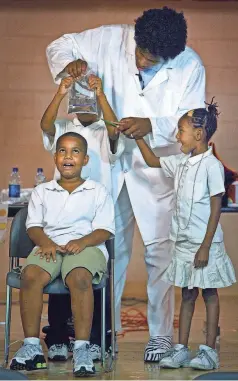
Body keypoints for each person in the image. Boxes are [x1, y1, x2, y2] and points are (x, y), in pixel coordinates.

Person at [46, 7, 206, 361]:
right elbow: (61, 45)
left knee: (160, 254)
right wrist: (69, 65)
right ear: (134, 38)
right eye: (140, 54)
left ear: (171, 55)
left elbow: (195, 119)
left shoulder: (190, 65)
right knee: (106, 250)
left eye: (152, 61)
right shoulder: (108, 37)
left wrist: (153, 124)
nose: (142, 63)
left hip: (156, 171)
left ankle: (160, 336)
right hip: (109, 163)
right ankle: (103, 333)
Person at [135, 100, 236, 370]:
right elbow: (152, 160)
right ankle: (180, 349)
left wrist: (205, 246)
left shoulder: (211, 166)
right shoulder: (180, 162)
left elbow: (217, 206)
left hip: (205, 245)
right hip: (182, 243)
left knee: (209, 293)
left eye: (181, 130)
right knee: (187, 294)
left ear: (199, 134)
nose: (177, 136)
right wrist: (139, 138)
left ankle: (208, 351)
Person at [10, 132, 115, 377]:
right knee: (31, 276)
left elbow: (104, 230)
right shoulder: (42, 191)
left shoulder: (97, 191)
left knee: (79, 277)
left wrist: (82, 242)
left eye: (75, 151)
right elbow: (33, 226)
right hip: (50, 246)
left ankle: (81, 349)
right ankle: (32, 348)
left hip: (86, 247)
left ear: (86, 159)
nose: (69, 156)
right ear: (56, 157)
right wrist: (45, 243)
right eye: (63, 151)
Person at [40, 75, 121, 361]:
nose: (84, 99)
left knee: (92, 277)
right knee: (59, 272)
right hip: (63, 215)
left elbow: (114, 131)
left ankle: (98, 340)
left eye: (90, 94)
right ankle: (59, 336)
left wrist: (101, 95)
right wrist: (60, 92)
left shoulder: (104, 127)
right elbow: (46, 125)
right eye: (80, 94)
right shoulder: (65, 127)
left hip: (96, 216)